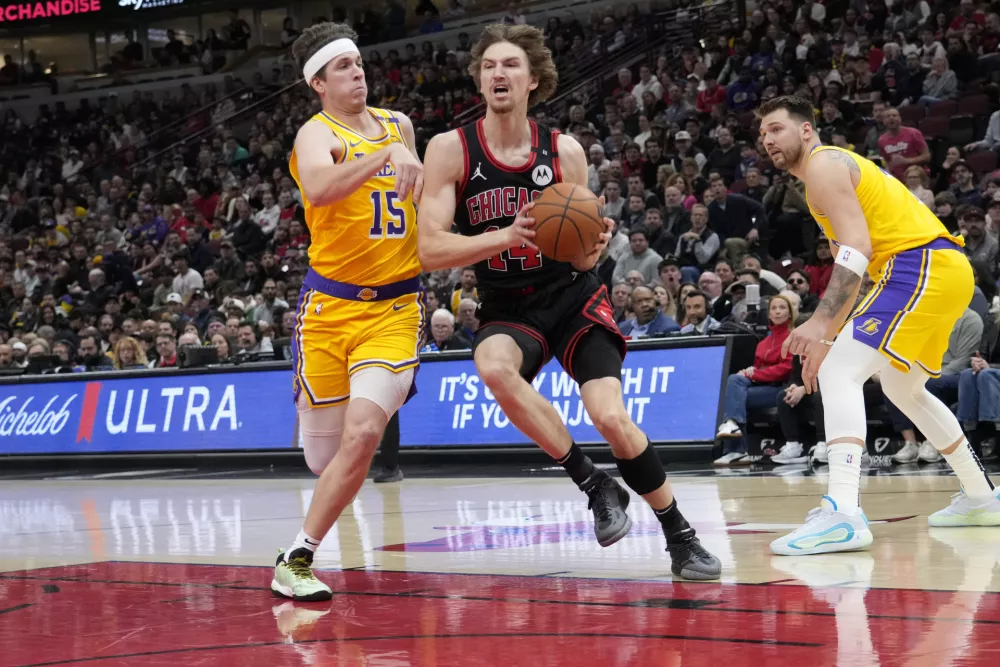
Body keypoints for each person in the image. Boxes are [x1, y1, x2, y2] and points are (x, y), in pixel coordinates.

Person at [416, 24, 720, 580]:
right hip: (507, 305)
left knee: (609, 416)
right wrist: (505, 237)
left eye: (510, 65)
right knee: (492, 366)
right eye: (488, 66)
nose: (498, 74)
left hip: (571, 295)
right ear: (479, 80)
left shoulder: (565, 150)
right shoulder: (450, 150)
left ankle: (681, 534)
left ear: (533, 80)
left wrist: (591, 249)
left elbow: (583, 257)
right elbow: (429, 248)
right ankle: (594, 482)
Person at [757, 95, 998, 557]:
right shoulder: (821, 180)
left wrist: (822, 324)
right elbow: (858, 269)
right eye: (763, 134)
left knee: (838, 374)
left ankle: (843, 514)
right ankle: (982, 497)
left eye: (776, 129)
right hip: (934, 270)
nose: (767, 140)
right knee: (902, 388)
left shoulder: (825, 163)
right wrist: (826, 337)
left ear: (806, 130)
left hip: (918, 266)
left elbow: (856, 251)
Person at [271, 23, 425, 601]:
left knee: (363, 436)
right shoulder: (315, 134)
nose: (357, 72)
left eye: (359, 63)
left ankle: (298, 556)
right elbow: (320, 186)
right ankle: (319, 514)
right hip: (328, 311)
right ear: (318, 82)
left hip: (395, 307)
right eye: (343, 67)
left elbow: (420, 196)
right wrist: (382, 155)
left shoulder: (399, 125)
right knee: (323, 458)